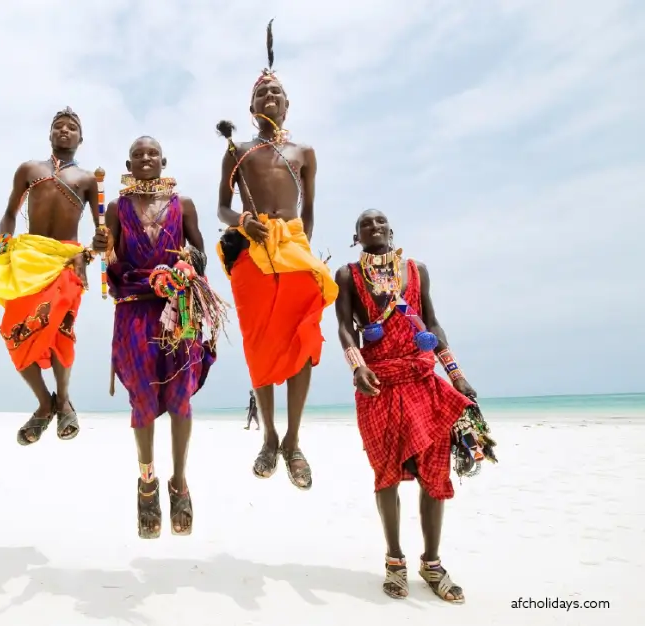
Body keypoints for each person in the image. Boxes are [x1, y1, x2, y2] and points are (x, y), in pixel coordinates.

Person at [215, 20, 338, 491]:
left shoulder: (304, 150)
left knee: (305, 340)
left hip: (294, 250)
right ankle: (267, 437)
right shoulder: (238, 151)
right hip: (251, 251)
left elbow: (309, 211)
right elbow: (222, 208)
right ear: (250, 107)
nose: (270, 99)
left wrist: (300, 249)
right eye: (262, 94)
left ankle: (293, 440)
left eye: (277, 94)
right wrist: (241, 223)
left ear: (288, 105)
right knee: (259, 346)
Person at [334, 208, 479, 603]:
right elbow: (345, 327)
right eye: (366, 224)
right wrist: (357, 366)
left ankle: (432, 564)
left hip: (422, 380)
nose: (374, 227)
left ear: (391, 229)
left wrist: (455, 372)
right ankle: (394, 561)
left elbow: (432, 323)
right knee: (387, 473)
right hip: (377, 384)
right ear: (357, 236)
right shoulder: (348, 275)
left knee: (435, 469)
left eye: (380, 222)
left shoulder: (416, 271)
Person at [92, 136, 226, 538]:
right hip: (134, 307)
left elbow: (201, 252)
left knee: (181, 395)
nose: (145, 158)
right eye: (137, 154)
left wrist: (188, 265)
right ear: (128, 163)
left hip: (178, 307)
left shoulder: (182, 206)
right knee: (143, 397)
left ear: (163, 160)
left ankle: (179, 483)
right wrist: (104, 247)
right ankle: (147, 482)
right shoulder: (115, 207)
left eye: (152, 153)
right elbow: (109, 260)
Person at [0, 107, 96, 445]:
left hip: (66, 262)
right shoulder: (29, 170)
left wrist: (87, 254)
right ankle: (45, 404)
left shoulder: (88, 180)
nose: (64, 130)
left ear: (80, 138)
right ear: (49, 134)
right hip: (27, 258)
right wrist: (4, 250)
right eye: (58, 126)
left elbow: (104, 232)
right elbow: (9, 214)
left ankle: (63, 401)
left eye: (71, 127)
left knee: (61, 329)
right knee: (11, 330)